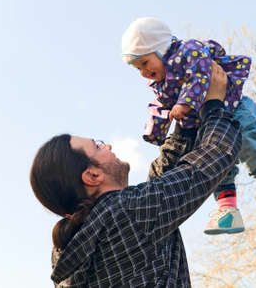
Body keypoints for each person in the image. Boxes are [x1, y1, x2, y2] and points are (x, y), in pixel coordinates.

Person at [29, 62, 242, 287]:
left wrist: (185, 123)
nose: (108, 146)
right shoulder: (125, 214)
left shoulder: (78, 243)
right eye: (98, 146)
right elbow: (212, 159)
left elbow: (161, 187)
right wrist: (215, 104)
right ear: (92, 176)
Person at [121, 17, 256, 235]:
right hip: (207, 124)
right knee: (217, 164)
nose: (143, 73)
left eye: (145, 63)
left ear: (160, 49)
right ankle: (228, 211)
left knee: (253, 145)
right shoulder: (161, 83)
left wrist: (185, 103)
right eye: (138, 68)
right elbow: (160, 106)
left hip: (234, 109)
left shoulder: (189, 51)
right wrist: (156, 130)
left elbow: (200, 74)